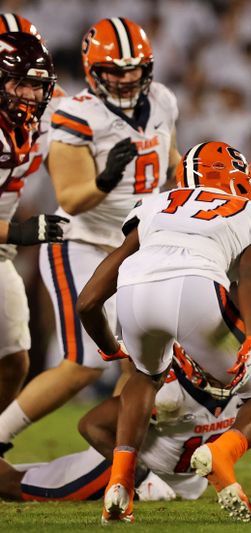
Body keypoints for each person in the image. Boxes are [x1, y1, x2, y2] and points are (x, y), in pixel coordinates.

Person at [77, 141, 251, 523]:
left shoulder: (156, 204)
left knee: (146, 375)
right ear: (242, 181)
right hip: (197, 292)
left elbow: (88, 301)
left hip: (134, 290)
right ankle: (222, 454)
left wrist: (109, 347)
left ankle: (121, 482)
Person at [0, 17, 181, 455]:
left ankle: (126, 456)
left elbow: (172, 161)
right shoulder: (77, 115)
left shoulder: (158, 101)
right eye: (114, 70)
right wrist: (104, 180)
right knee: (82, 364)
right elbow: (72, 196)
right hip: (80, 243)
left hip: (132, 247)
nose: (125, 79)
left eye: (132, 69)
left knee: (146, 362)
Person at [0, 356, 251, 503]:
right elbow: (92, 424)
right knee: (14, 486)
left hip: (180, 483)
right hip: (120, 466)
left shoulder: (248, 392)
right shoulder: (166, 392)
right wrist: (137, 476)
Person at [0, 29, 66, 423]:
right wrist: (20, 233)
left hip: (2, 245)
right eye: (19, 83)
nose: (29, 94)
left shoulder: (48, 112)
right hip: (8, 236)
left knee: (14, 360)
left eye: (36, 85)